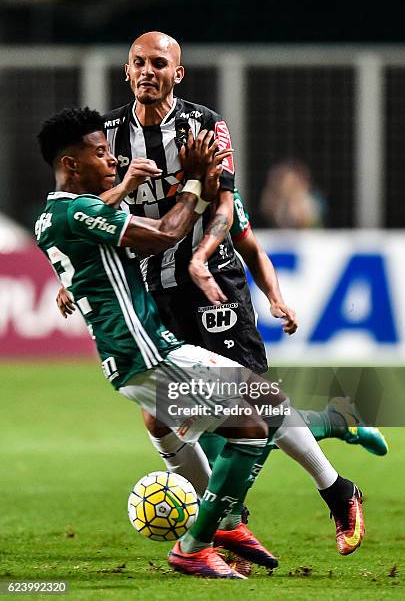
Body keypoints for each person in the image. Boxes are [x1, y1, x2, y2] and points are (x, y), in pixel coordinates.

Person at [37, 107, 364, 579]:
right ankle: (200, 539)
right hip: (148, 350)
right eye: (101, 153)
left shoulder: (54, 216)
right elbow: (165, 234)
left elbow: (102, 226)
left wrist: (130, 187)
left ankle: (223, 524)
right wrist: (192, 182)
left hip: (136, 355)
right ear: (71, 165)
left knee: (208, 417)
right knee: (253, 423)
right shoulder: (84, 210)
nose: (112, 159)